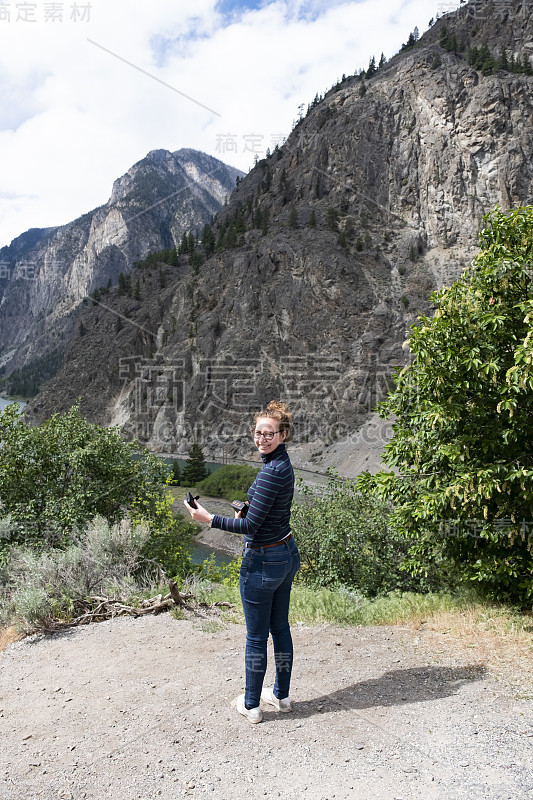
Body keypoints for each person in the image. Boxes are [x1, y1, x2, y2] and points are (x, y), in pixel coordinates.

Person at [184, 400, 300, 723]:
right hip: (286, 552)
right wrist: (249, 511)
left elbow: (249, 528)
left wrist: (208, 519)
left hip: (263, 562)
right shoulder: (282, 465)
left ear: (283, 435)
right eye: (258, 432)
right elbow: (264, 515)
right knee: (280, 628)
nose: (262, 438)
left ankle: (251, 704)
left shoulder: (270, 472)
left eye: (269, 433)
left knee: (256, 637)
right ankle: (282, 694)